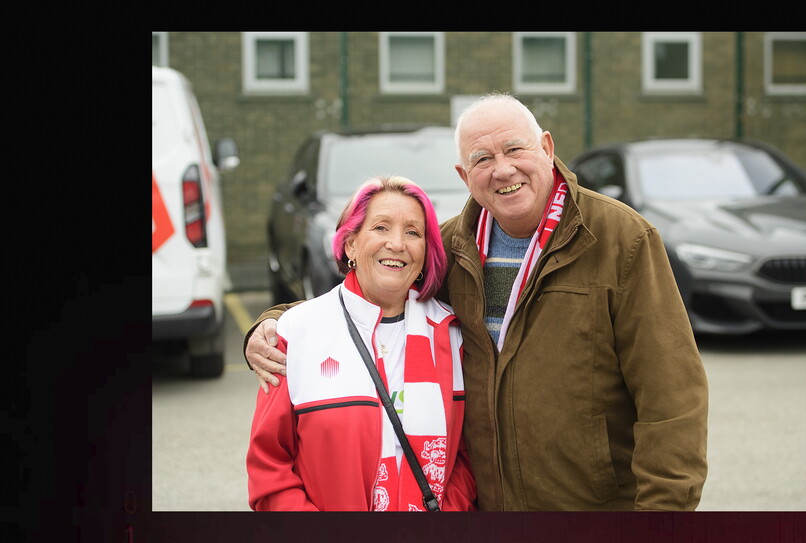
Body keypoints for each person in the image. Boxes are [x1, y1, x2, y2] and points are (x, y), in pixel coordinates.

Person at [245, 94, 708, 511]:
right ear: (465, 177)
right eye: (482, 158)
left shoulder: (620, 239)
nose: (502, 169)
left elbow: (672, 398)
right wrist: (269, 325)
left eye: (515, 149)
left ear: (547, 148)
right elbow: (373, 297)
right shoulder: (448, 249)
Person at [246, 176, 477, 511]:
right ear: (350, 244)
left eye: (413, 232)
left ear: (426, 252)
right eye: (381, 228)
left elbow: (469, 458)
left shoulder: (453, 335)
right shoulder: (296, 332)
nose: (397, 244)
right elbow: (270, 468)